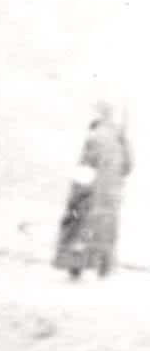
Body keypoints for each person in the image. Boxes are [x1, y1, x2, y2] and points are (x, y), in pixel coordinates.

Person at [55, 102, 133, 279]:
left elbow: (85, 165)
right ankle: (104, 267)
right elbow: (128, 167)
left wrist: (75, 194)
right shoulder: (121, 138)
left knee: (78, 226)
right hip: (112, 195)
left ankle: (75, 266)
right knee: (107, 230)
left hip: (91, 192)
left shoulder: (94, 138)